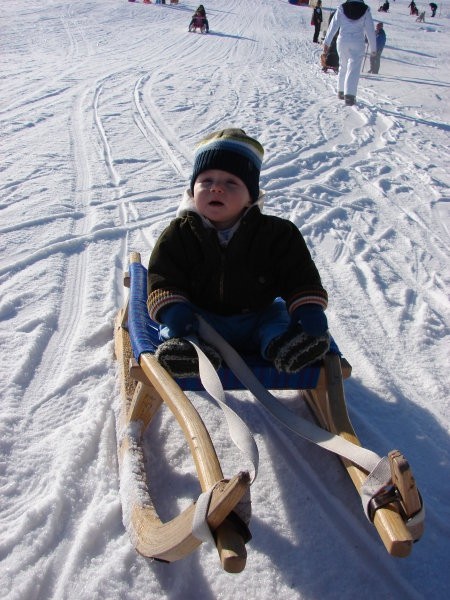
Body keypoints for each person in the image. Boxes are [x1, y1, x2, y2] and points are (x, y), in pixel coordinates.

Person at [147, 129, 330, 378]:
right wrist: (173, 309)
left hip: (258, 315)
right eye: (206, 181)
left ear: (250, 197)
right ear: (192, 191)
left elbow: (298, 274)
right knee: (175, 328)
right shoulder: (179, 234)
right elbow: (163, 275)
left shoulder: (277, 233)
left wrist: (309, 308)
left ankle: (286, 347)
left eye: (230, 182)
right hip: (201, 317)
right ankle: (194, 354)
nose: (216, 189)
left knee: (278, 320)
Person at [323, 1, 377, 106]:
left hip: (342, 41)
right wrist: (373, 48)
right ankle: (350, 96)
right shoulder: (365, 10)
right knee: (353, 68)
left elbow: (333, 25)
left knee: (343, 64)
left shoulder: (342, 8)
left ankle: (341, 91)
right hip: (357, 42)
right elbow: (370, 30)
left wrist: (327, 42)